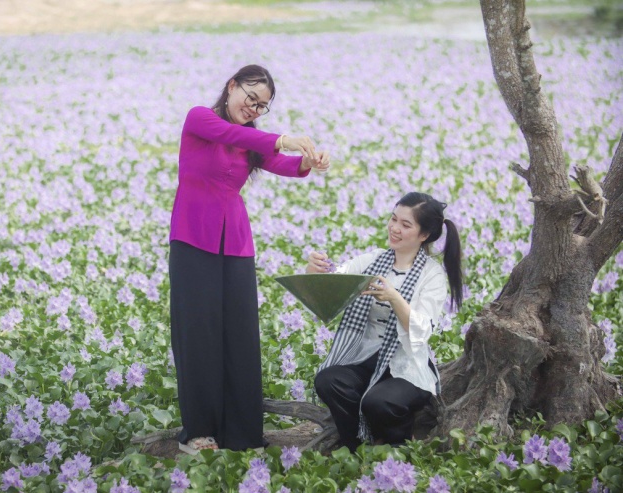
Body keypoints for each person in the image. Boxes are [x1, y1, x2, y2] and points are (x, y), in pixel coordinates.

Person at [169, 64, 330, 454]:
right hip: (192, 238)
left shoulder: (254, 139)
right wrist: (283, 138)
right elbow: (229, 133)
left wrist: (310, 161)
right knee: (198, 335)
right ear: (231, 86)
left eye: (262, 106)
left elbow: (286, 166)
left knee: (240, 336)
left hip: (236, 243)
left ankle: (242, 434)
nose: (254, 108)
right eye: (251, 98)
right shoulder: (201, 118)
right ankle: (200, 431)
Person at [306, 192, 463, 451]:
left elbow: (422, 330)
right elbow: (335, 283)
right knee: (328, 380)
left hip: (405, 364)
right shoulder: (372, 260)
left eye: (405, 224)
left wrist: (394, 298)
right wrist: (315, 272)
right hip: (363, 357)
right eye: (393, 219)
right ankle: (356, 447)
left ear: (423, 235)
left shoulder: (431, 275)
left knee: (378, 402)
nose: (394, 228)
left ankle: (397, 445)